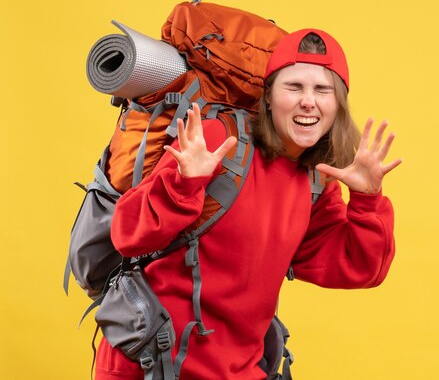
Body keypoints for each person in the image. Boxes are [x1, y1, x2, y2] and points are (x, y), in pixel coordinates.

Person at [95, 28, 402, 380]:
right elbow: (127, 235)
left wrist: (366, 200)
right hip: (152, 365)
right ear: (269, 97)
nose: (309, 101)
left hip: (237, 370)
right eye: (294, 87)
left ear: (338, 104)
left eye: (323, 90)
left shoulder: (316, 181)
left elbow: (361, 268)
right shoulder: (216, 139)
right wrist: (184, 183)